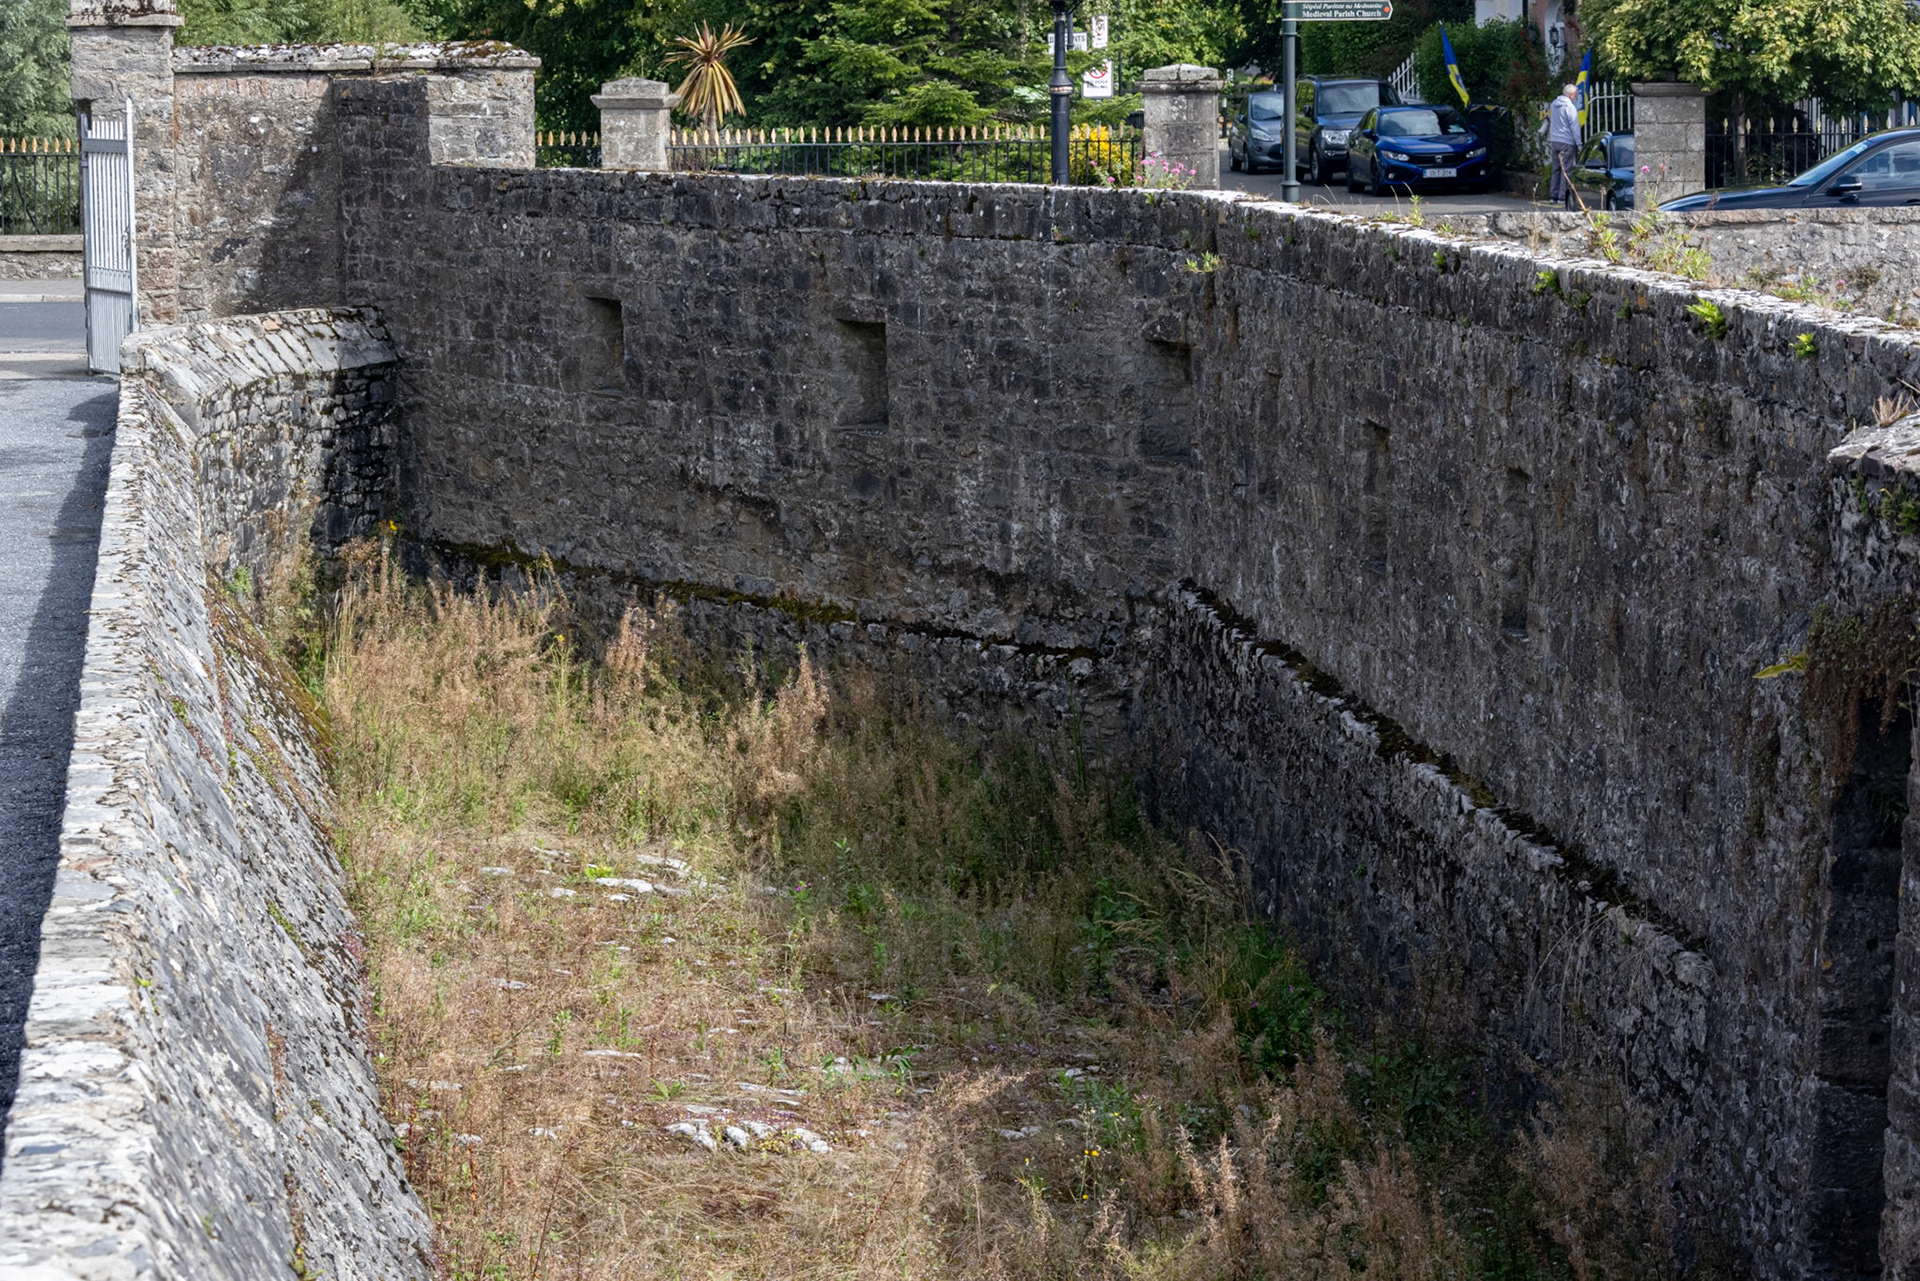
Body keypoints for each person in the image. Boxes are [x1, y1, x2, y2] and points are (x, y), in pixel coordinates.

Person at [1548, 82, 1580, 205]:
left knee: (1555, 169)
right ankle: (1562, 197)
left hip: (1555, 141)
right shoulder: (1570, 108)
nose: (1576, 97)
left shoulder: (1554, 104)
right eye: (1575, 94)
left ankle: (1553, 196)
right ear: (1571, 95)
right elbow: (1574, 127)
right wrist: (1579, 144)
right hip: (1566, 141)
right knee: (1565, 170)